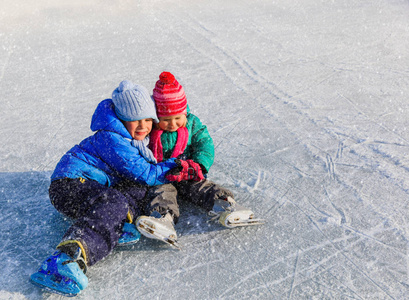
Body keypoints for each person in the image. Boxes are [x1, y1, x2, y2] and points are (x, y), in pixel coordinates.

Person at [30, 80, 179, 296]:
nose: (143, 126)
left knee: (135, 190)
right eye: (134, 120)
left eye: (148, 119)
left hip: (92, 184)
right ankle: (66, 256)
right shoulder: (113, 139)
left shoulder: (131, 139)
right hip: (69, 185)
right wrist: (178, 166)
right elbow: (145, 173)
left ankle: (120, 221)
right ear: (120, 119)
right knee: (115, 200)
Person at [135, 72, 264, 247]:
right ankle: (163, 219)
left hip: (188, 169)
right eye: (166, 120)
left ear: (184, 113)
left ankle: (226, 204)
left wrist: (199, 164)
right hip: (162, 174)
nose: (172, 124)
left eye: (177, 118)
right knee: (161, 194)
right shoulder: (150, 128)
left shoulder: (192, 124)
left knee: (201, 187)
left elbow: (204, 142)